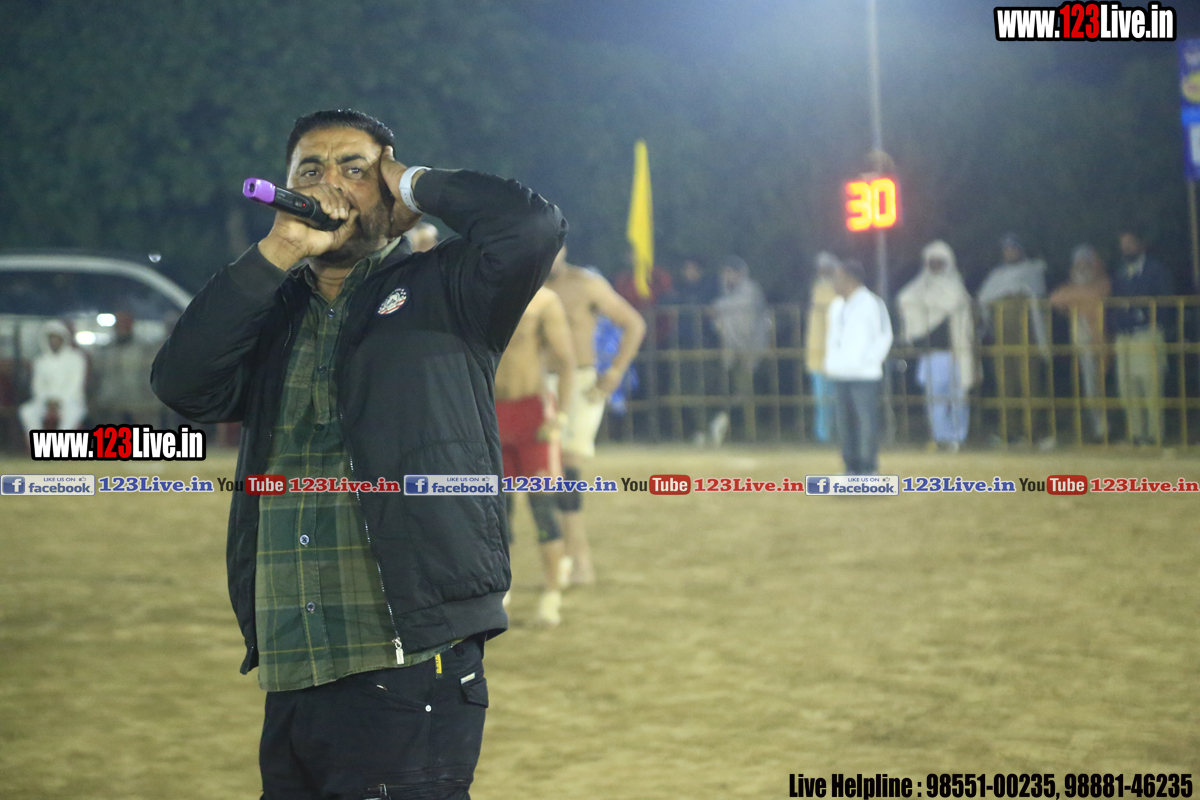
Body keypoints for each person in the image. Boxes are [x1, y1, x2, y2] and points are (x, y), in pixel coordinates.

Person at [151, 109, 566, 800]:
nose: (330, 184)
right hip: (293, 656)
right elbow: (181, 384)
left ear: (394, 194)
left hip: (407, 654)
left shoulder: (449, 288)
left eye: (355, 169)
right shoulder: (272, 310)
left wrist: (412, 180)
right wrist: (277, 251)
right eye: (310, 170)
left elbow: (531, 228)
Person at [543, 245, 645, 586]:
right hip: (539, 385)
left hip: (581, 385)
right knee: (544, 474)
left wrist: (614, 372)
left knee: (568, 465)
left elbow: (633, 324)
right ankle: (562, 559)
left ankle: (580, 558)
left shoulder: (585, 284)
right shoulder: (523, 284)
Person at [494, 287, 574, 626]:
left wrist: (560, 417)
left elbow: (566, 361)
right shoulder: (482, 292)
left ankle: (552, 594)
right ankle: (501, 590)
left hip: (533, 416)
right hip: (493, 412)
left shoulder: (543, 301)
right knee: (498, 511)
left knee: (542, 508)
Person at [897, 241, 975, 452]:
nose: (934, 265)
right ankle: (939, 437)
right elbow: (904, 300)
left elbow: (953, 302)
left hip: (955, 352)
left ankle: (958, 437)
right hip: (931, 354)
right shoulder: (919, 287)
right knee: (934, 400)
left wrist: (927, 306)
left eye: (939, 261)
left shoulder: (956, 287)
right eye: (931, 261)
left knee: (958, 398)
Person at [976, 233, 1052, 446]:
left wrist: (1011, 295)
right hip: (1002, 337)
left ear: (1020, 250)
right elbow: (983, 298)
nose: (1009, 252)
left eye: (1013, 248)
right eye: (1006, 249)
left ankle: (1032, 432)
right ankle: (1009, 432)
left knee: (1029, 383)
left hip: (1026, 335)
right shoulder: (997, 275)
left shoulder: (1032, 270)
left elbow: (1035, 294)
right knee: (1005, 384)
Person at [825, 259, 893, 475]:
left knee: (865, 423)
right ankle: (851, 467)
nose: (833, 283)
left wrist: (868, 361)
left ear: (850, 280)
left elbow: (885, 336)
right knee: (844, 425)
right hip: (840, 373)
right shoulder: (836, 306)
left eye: (837, 278)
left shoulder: (872, 303)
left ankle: (867, 468)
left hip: (864, 375)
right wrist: (832, 363)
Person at [1108, 229, 1174, 444]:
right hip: (1124, 337)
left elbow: (1165, 302)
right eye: (1123, 244)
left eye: (1130, 243)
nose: (1125, 248)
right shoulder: (1120, 271)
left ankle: (1155, 435)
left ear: (1140, 244)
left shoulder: (1156, 269)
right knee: (1127, 387)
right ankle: (1136, 435)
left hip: (1147, 334)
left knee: (1150, 387)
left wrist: (1141, 314)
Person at [1048, 245, 1112, 442]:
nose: (1081, 266)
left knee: (1103, 385)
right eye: (1078, 263)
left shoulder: (1103, 282)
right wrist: (1080, 296)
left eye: (1086, 262)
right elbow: (1055, 299)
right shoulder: (1072, 286)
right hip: (1082, 343)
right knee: (1090, 386)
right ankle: (1099, 428)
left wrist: (1076, 296)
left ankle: (1107, 428)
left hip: (1101, 341)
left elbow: (1097, 295)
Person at [709, 256, 771, 445]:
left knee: (747, 393)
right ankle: (737, 433)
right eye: (724, 273)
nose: (726, 277)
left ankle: (752, 434)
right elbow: (719, 322)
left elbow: (743, 309)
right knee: (734, 392)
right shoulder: (727, 292)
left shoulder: (750, 290)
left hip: (751, 349)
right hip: (731, 350)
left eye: (729, 273)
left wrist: (718, 307)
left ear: (739, 273)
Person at [90, 311, 163, 425]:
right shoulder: (105, 351)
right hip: (111, 405)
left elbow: (153, 376)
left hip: (138, 404)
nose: (122, 325)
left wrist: (150, 400)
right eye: (119, 322)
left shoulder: (145, 349)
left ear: (131, 324)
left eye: (125, 322)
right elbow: (97, 377)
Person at [19, 320, 88, 433]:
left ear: (64, 339)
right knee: (27, 411)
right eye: (51, 338)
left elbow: (76, 383)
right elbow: (37, 384)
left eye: (57, 338)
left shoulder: (76, 358)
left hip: (69, 400)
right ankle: (38, 440)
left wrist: (59, 400)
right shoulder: (40, 360)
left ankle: (60, 442)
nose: (54, 341)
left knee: (72, 415)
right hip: (45, 401)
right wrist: (47, 400)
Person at [806, 252, 839, 444]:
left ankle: (834, 432)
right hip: (817, 352)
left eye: (827, 268)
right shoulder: (816, 289)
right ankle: (823, 434)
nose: (823, 272)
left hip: (835, 352)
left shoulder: (839, 291)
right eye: (821, 268)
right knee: (821, 398)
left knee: (835, 397)